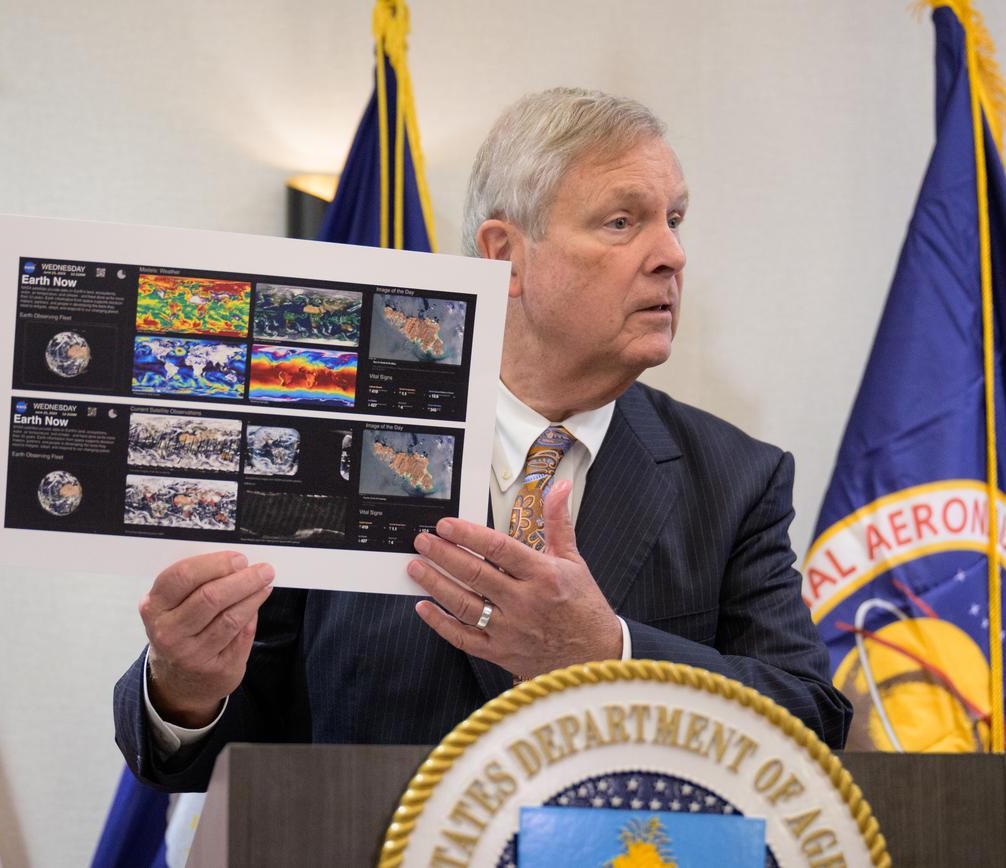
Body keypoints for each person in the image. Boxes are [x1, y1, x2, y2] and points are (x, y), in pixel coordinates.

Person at [114, 88, 852, 791]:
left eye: (676, 219)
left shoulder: (736, 479)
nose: (672, 255)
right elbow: (227, 743)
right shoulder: (330, 437)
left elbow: (812, 723)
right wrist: (186, 689)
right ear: (505, 254)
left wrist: (611, 655)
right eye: (623, 223)